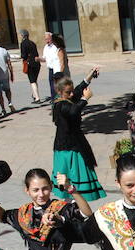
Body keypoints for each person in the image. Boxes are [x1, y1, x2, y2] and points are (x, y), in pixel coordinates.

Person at [51, 70, 106, 202]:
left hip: (74, 144)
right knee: (70, 174)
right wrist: (85, 99)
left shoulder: (67, 98)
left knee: (75, 174)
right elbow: (73, 112)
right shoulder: (59, 105)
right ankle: (70, 202)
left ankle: (76, 201)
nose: (71, 94)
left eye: (71, 91)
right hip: (66, 148)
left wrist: (89, 76)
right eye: (68, 92)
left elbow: (78, 89)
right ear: (59, 92)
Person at [19, 30, 41, 103]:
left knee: (32, 81)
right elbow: (36, 54)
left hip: (30, 64)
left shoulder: (23, 43)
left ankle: (37, 98)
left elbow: (23, 55)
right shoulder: (33, 43)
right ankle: (35, 95)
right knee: (35, 80)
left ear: (23, 36)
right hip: (36, 63)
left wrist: (21, 57)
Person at [39, 32, 60, 101]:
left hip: (57, 69)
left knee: (58, 84)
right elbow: (44, 59)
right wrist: (38, 59)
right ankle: (54, 98)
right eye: (45, 39)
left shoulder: (56, 46)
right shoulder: (46, 47)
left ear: (51, 38)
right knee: (52, 85)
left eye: (48, 39)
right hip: (50, 69)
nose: (47, 41)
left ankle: (59, 98)